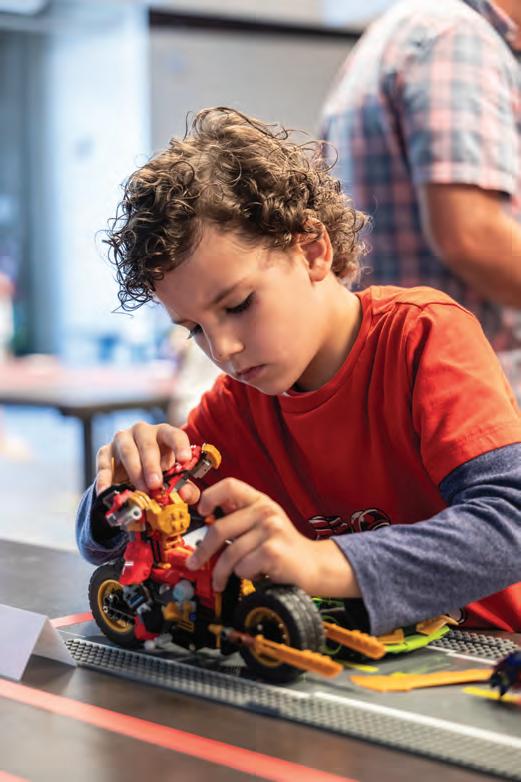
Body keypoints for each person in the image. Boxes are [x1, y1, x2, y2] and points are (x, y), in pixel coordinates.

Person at [76, 107, 521, 636]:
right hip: (359, 666)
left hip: (490, 657)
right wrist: (121, 490)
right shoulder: (237, 408)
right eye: (194, 328)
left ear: (312, 251)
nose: (224, 349)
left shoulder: (422, 336)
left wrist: (322, 562)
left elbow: (511, 524)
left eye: (238, 304)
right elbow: (112, 547)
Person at [320, 0, 521, 355]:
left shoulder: (404, 30)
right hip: (458, 368)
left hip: (400, 363)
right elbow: (472, 236)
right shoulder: (457, 38)